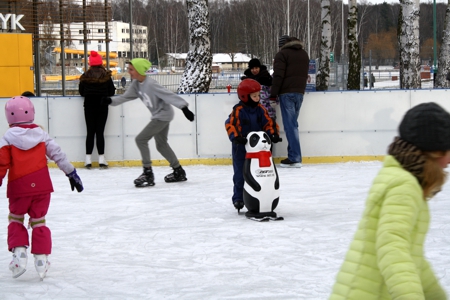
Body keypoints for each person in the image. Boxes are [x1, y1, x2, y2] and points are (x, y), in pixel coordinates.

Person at [329, 102, 450, 300]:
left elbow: (412, 255)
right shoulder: (404, 185)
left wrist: (435, 295)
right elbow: (393, 246)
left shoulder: (405, 179)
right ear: (434, 151)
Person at [0, 96, 83, 280]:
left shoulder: (7, 139)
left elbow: (1, 163)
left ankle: (19, 255)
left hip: (19, 188)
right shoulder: (42, 135)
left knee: (16, 219)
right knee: (38, 220)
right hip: (42, 187)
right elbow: (58, 154)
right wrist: (71, 173)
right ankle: (41, 260)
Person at [101, 58, 195, 187]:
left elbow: (167, 94)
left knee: (141, 139)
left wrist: (184, 107)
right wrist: (110, 101)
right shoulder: (135, 84)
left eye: (131, 69)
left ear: (139, 70)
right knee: (161, 145)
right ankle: (178, 171)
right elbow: (125, 97)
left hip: (163, 115)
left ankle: (148, 172)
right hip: (159, 116)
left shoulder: (151, 84)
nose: (129, 72)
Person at [225, 79, 280, 211]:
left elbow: (269, 123)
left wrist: (273, 134)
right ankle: (238, 198)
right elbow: (230, 124)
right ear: (245, 96)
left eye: (258, 95)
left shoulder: (261, 109)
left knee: (260, 173)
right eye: (254, 96)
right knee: (239, 174)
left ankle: (262, 197)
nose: (257, 98)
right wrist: (236, 137)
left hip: (258, 150)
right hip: (241, 148)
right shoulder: (238, 110)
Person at [270, 35, 309, 168]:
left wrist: (273, 94)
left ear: (282, 45)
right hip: (300, 92)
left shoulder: (282, 54)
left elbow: (278, 76)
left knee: (290, 126)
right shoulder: (304, 54)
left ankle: (295, 157)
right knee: (293, 125)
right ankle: (293, 155)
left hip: (287, 93)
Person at [79, 50, 116, 169]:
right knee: (100, 132)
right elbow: (111, 91)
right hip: (102, 106)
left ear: (90, 63)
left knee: (90, 132)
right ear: (101, 63)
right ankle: (101, 159)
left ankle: (88, 159)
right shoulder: (106, 76)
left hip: (89, 106)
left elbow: (81, 92)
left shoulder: (85, 76)